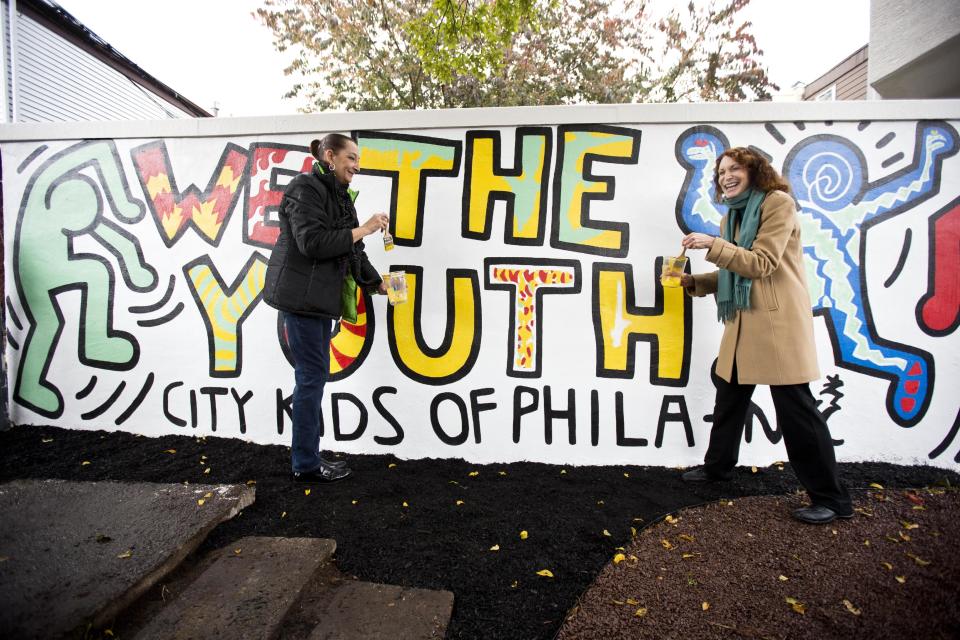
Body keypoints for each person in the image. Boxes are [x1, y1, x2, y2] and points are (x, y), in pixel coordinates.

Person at [667, 146, 853, 525]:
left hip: (776, 326)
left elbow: (762, 263)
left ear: (755, 171)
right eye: (720, 172)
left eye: (734, 168)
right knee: (729, 399)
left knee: (797, 412)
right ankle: (717, 468)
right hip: (743, 325)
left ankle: (832, 499)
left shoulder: (778, 203)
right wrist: (695, 282)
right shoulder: (731, 218)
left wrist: (712, 246)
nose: (725, 176)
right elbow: (735, 272)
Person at [264, 133, 389, 483]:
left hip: (317, 302)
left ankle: (309, 455)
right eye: (351, 158)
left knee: (313, 377)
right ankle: (305, 462)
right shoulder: (304, 189)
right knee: (311, 378)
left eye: (358, 159)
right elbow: (313, 243)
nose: (357, 166)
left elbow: (353, 250)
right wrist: (363, 228)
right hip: (300, 301)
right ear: (330, 157)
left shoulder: (337, 195)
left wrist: (376, 282)